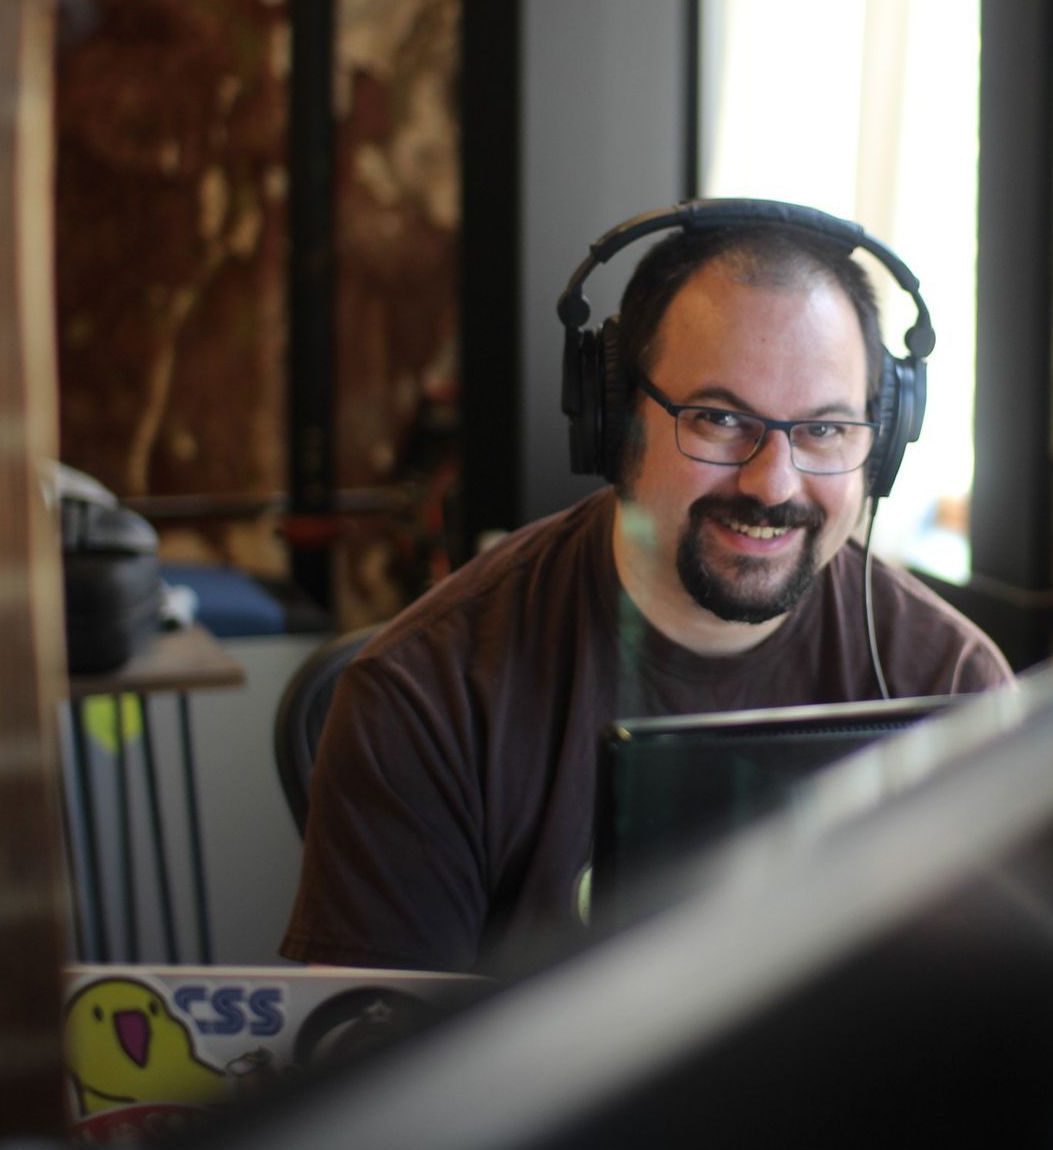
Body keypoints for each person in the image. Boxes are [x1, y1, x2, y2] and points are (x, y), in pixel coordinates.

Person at [281, 212, 1012, 973]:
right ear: (615, 420)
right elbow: (391, 1077)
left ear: (882, 447)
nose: (773, 482)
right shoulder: (427, 695)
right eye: (720, 419)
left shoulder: (950, 687)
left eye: (825, 431)